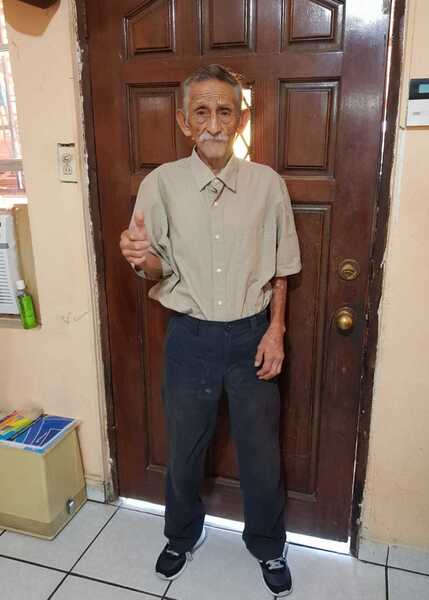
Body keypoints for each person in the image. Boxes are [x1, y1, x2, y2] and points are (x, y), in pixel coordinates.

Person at [120, 64, 301, 597]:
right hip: (190, 339)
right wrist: (141, 258)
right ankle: (180, 535)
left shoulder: (267, 184)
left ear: (240, 118)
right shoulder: (161, 184)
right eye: (202, 112)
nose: (214, 124)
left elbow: (281, 269)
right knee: (184, 449)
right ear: (184, 121)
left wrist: (276, 331)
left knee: (261, 453)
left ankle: (267, 544)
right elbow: (155, 265)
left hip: (252, 338)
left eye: (225, 111)